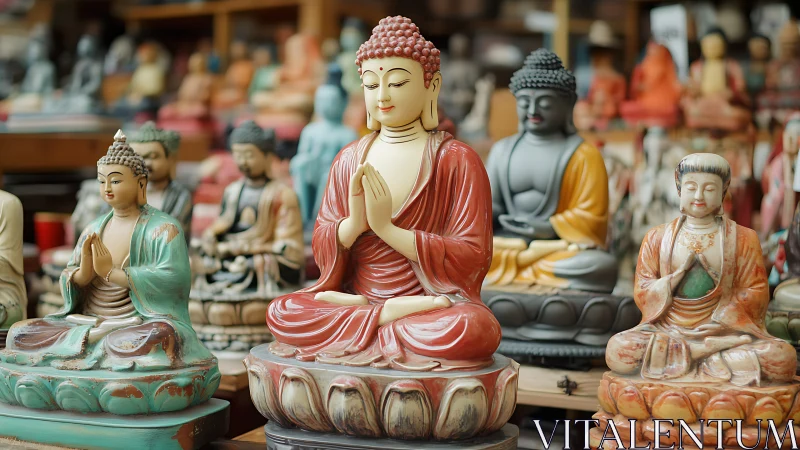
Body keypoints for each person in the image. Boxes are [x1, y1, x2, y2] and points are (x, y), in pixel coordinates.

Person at [266, 16, 501, 372]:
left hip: (428, 304)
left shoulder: (456, 160)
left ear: (432, 86)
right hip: (360, 297)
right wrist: (354, 225)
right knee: (283, 311)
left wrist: (388, 230)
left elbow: (473, 256)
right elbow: (323, 241)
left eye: (398, 83)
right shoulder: (349, 158)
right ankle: (382, 317)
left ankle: (371, 322)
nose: (383, 96)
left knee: (473, 328)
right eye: (371, 85)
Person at [1, 131, 213, 372]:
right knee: (19, 333)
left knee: (158, 336)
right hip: (89, 319)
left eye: (116, 181)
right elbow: (71, 276)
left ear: (140, 183)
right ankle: (93, 339)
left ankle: (92, 343)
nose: (107, 188)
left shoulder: (164, 228)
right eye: (102, 181)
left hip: (137, 321)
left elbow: (174, 280)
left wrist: (112, 274)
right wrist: (83, 274)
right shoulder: (94, 227)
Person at [606, 153, 796, 385]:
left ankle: (694, 356)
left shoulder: (744, 239)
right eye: (691, 187)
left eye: (709, 188)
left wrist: (721, 316)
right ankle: (702, 352)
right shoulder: (656, 237)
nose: (698, 196)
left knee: (782, 357)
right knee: (619, 349)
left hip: (725, 331)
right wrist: (673, 280)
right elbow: (642, 289)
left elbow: (756, 292)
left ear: (723, 191)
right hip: (669, 332)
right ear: (679, 190)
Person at [485, 49, 617, 292]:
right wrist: (485, 215)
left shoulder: (583, 155)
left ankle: (520, 280)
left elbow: (593, 219)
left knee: (600, 266)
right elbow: (488, 205)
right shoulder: (501, 151)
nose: (533, 111)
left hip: (555, 250)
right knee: (459, 256)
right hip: (505, 247)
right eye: (524, 103)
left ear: (567, 105)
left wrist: (548, 228)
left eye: (544, 103)